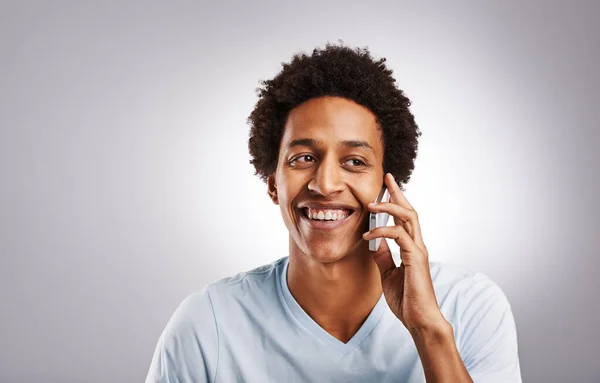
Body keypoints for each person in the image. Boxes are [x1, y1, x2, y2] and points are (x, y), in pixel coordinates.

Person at [145, 42, 522, 382]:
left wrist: (428, 331)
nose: (325, 184)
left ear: (388, 184)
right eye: (304, 158)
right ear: (273, 183)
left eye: (355, 161)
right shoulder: (207, 323)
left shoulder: (469, 306)